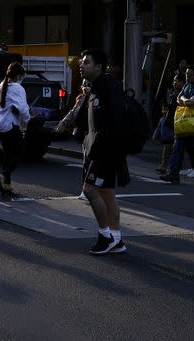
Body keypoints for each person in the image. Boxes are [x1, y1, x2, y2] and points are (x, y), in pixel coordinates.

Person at [79, 49, 128, 255]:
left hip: (105, 150)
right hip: (102, 149)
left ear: (99, 66)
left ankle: (105, 235)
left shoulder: (108, 86)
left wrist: (102, 149)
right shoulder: (96, 86)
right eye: (81, 62)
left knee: (90, 191)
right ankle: (116, 239)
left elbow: (115, 122)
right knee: (107, 192)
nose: (81, 65)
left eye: (87, 62)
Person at [160, 65, 194, 186]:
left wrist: (184, 99)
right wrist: (183, 99)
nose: (187, 76)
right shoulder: (187, 86)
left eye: (189, 74)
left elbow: (190, 101)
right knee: (177, 148)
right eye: (186, 74)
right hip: (185, 122)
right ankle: (173, 174)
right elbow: (178, 97)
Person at [0, 62, 31, 196]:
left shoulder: (2, 85)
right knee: (17, 154)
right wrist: (27, 119)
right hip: (11, 125)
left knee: (7, 154)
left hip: (0, 123)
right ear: (19, 75)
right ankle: (3, 176)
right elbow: (23, 109)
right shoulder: (18, 88)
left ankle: (7, 186)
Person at [154, 73, 194, 175]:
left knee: (185, 147)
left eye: (177, 81)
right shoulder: (174, 93)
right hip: (173, 122)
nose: (174, 83)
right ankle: (169, 168)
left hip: (181, 123)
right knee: (174, 146)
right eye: (174, 81)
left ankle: (177, 168)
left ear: (182, 82)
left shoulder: (185, 92)